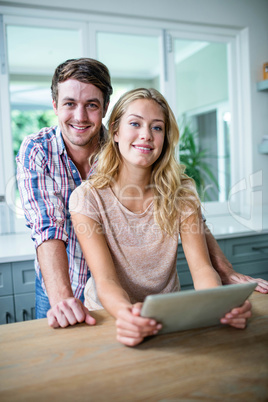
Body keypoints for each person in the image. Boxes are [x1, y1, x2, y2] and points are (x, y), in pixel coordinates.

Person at [16, 58, 268, 330]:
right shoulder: (42, 153)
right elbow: (49, 229)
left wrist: (222, 286)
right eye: (69, 104)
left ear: (104, 111)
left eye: (91, 105)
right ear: (55, 105)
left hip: (145, 302)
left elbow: (196, 234)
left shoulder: (133, 153)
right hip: (70, 285)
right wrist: (63, 299)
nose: (80, 116)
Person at [69, 88, 252, 346]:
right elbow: (106, 280)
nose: (146, 135)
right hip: (111, 318)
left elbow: (201, 268)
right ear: (116, 131)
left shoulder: (182, 192)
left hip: (169, 318)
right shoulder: (87, 198)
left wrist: (218, 305)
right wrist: (127, 315)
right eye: (135, 123)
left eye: (157, 128)